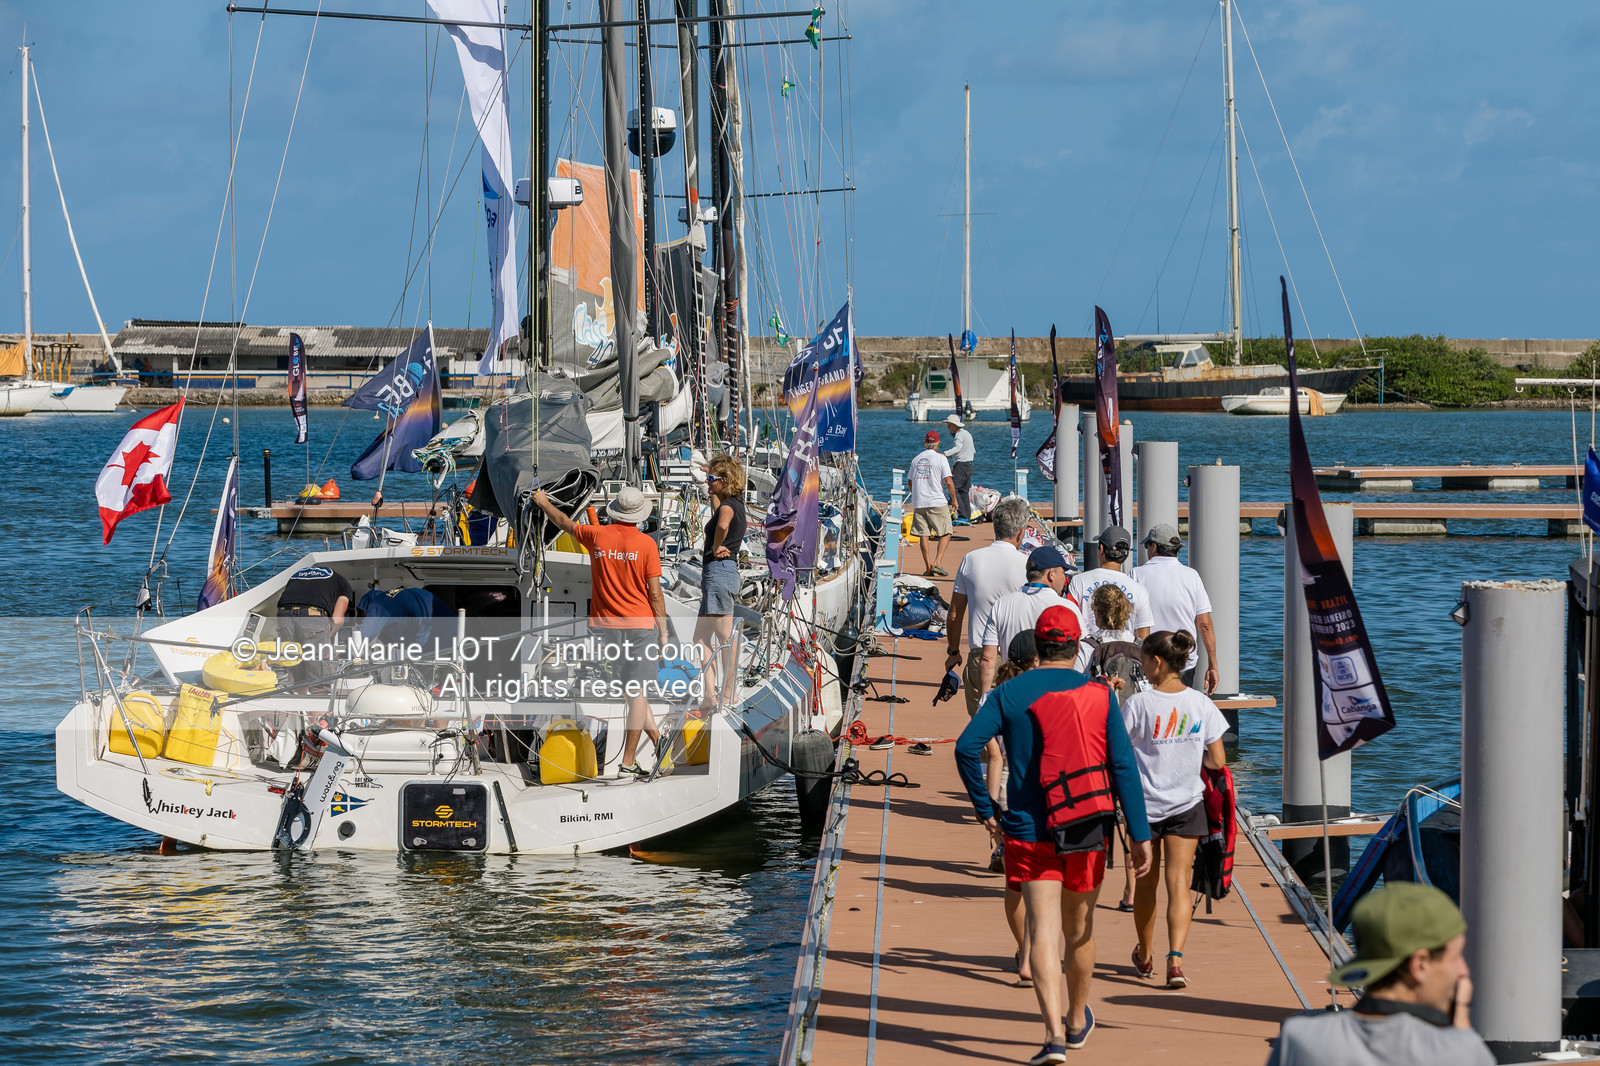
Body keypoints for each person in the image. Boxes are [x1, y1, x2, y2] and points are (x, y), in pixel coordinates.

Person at [956, 606, 1153, 1062]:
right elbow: (1123, 765)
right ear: (1075, 644)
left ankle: (1053, 1037)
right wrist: (1139, 833)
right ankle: (1078, 1017)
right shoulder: (1099, 695)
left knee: (1043, 932)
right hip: (1086, 824)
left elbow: (967, 749)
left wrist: (987, 811)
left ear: (1038, 645)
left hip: (1027, 825)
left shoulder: (1009, 694)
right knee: (1079, 932)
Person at [1265, 883, 1493, 1066]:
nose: (1463, 970)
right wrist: (1461, 1027)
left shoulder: (1299, 1039)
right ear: (1420, 964)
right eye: (1455, 957)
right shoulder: (1460, 1053)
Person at [534, 485, 669, 778]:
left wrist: (543, 502)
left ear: (616, 512)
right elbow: (655, 594)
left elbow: (563, 523)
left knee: (630, 693)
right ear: (639, 515)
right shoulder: (647, 544)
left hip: (605, 628)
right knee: (637, 692)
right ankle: (628, 762)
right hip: (641, 626)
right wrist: (664, 632)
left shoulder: (597, 536)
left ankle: (659, 742)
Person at [1119, 631, 1228, 989]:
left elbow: (1117, 753)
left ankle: (1146, 954)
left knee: (1145, 883)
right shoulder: (1201, 704)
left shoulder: (1138, 704)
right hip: (1187, 805)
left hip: (1144, 808)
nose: (1143, 667)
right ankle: (1176, 960)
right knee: (1179, 883)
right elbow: (1217, 760)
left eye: (1145, 660)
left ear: (1158, 662)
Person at [947, 496, 1031, 802]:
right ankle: (1013, 792)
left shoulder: (971, 559)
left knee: (984, 730)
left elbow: (955, 613)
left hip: (980, 655)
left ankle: (988, 792)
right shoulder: (1027, 565)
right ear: (1021, 533)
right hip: (1019, 659)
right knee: (1020, 729)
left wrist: (952, 650)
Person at [1132, 522, 1219, 694]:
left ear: (1154, 546)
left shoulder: (1136, 574)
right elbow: (1204, 624)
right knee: (1180, 713)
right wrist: (1213, 664)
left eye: (1147, 545)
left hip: (1148, 659)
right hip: (1183, 659)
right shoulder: (1191, 576)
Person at [982, 545, 1083, 684]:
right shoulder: (1068, 608)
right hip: (1053, 691)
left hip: (1014, 688)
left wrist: (985, 699)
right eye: (1063, 572)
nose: (1065, 578)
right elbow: (1082, 655)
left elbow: (987, 658)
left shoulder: (1001, 604)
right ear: (1051, 574)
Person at [693, 455, 747, 712]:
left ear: (724, 482)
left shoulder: (728, 508)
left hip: (719, 572)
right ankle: (709, 695)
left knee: (725, 635)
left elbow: (722, 523)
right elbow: (719, 509)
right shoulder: (733, 503)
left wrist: (715, 546)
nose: (707, 481)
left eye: (711, 479)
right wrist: (709, 472)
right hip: (717, 574)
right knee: (701, 638)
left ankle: (729, 692)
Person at [1067, 526, 1152, 642]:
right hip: (1126, 656)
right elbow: (1143, 637)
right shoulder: (1139, 589)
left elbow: (1069, 621)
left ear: (1101, 549)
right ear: (1126, 555)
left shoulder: (1078, 581)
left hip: (1087, 653)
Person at [276, 563, 354, 683]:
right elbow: (337, 619)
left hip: (283, 616)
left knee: (293, 664)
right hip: (312, 617)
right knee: (320, 672)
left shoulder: (297, 575)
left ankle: (296, 695)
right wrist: (329, 636)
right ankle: (320, 694)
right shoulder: (343, 583)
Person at [908, 430, 958, 576]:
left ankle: (928, 568)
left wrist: (916, 494)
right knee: (947, 531)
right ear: (937, 444)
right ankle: (937, 562)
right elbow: (948, 482)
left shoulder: (916, 459)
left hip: (919, 502)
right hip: (937, 501)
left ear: (925, 443)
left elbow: (910, 482)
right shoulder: (941, 458)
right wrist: (954, 499)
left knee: (923, 534)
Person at [944, 413, 975, 523]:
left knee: (954, 488)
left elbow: (957, 448)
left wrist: (944, 454)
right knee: (964, 491)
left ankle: (962, 515)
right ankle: (966, 516)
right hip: (969, 465)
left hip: (961, 465)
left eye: (949, 425)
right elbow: (973, 450)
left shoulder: (959, 435)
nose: (948, 427)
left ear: (955, 425)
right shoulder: (966, 433)